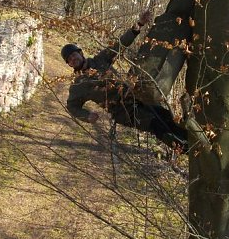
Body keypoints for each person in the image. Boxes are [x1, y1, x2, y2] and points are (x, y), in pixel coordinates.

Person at [61, 8, 188, 150]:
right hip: (122, 111)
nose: (73, 59)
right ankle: (184, 149)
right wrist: (86, 115)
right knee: (155, 125)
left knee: (165, 115)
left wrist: (138, 25)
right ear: (69, 64)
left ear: (80, 53)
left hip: (135, 95)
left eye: (74, 55)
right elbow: (72, 106)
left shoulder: (100, 60)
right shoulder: (78, 85)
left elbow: (119, 45)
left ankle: (193, 143)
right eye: (69, 60)